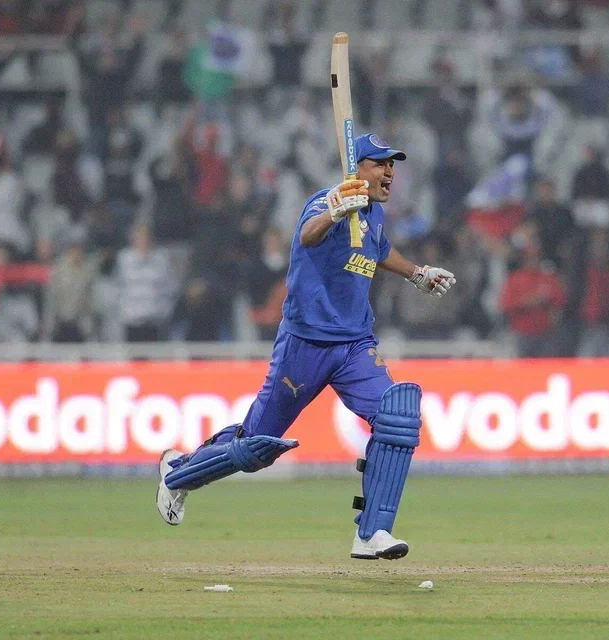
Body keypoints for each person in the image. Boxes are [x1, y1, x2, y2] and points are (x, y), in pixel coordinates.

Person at [155, 133, 456, 560]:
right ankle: (179, 475)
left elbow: (380, 250)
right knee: (255, 446)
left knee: (397, 418)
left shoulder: (373, 214)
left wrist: (417, 274)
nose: (390, 171)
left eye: (394, 164)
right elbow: (310, 236)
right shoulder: (325, 202)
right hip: (306, 343)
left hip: (355, 343)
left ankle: (372, 532)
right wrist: (336, 210)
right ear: (358, 167)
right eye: (381, 163)